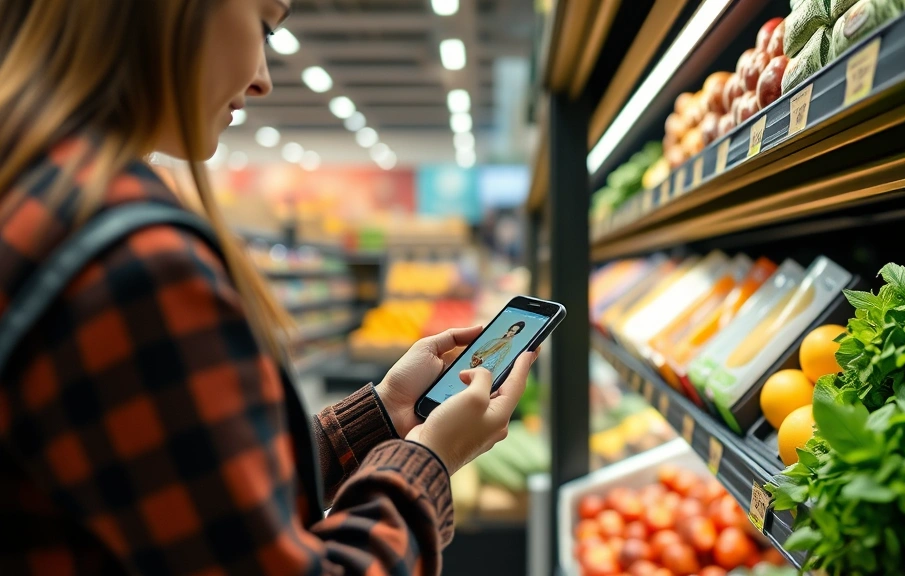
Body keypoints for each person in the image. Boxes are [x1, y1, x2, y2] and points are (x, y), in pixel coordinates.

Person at [0, 1, 535, 574]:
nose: (262, 79)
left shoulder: (35, 189)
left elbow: (193, 500)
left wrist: (381, 413)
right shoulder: (136, 261)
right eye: (262, 25)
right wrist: (427, 460)